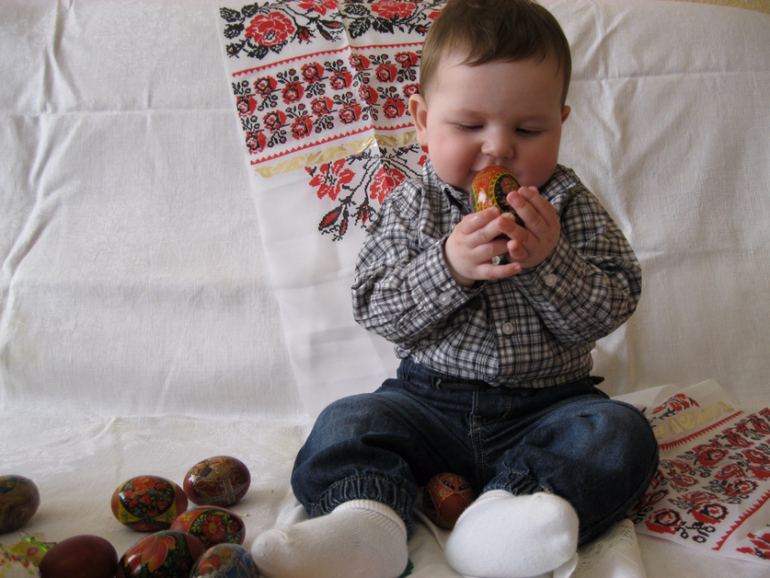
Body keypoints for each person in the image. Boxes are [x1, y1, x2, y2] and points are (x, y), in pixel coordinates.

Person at [251, 1, 660, 577]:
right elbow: (375, 305)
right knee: (347, 421)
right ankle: (367, 524)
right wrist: (448, 266)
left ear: (561, 122)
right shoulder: (412, 204)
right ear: (422, 119)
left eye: (528, 129)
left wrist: (551, 261)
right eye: (469, 126)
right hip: (427, 405)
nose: (498, 148)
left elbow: (613, 303)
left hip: (549, 408)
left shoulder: (567, 205)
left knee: (621, 434)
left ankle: (506, 523)